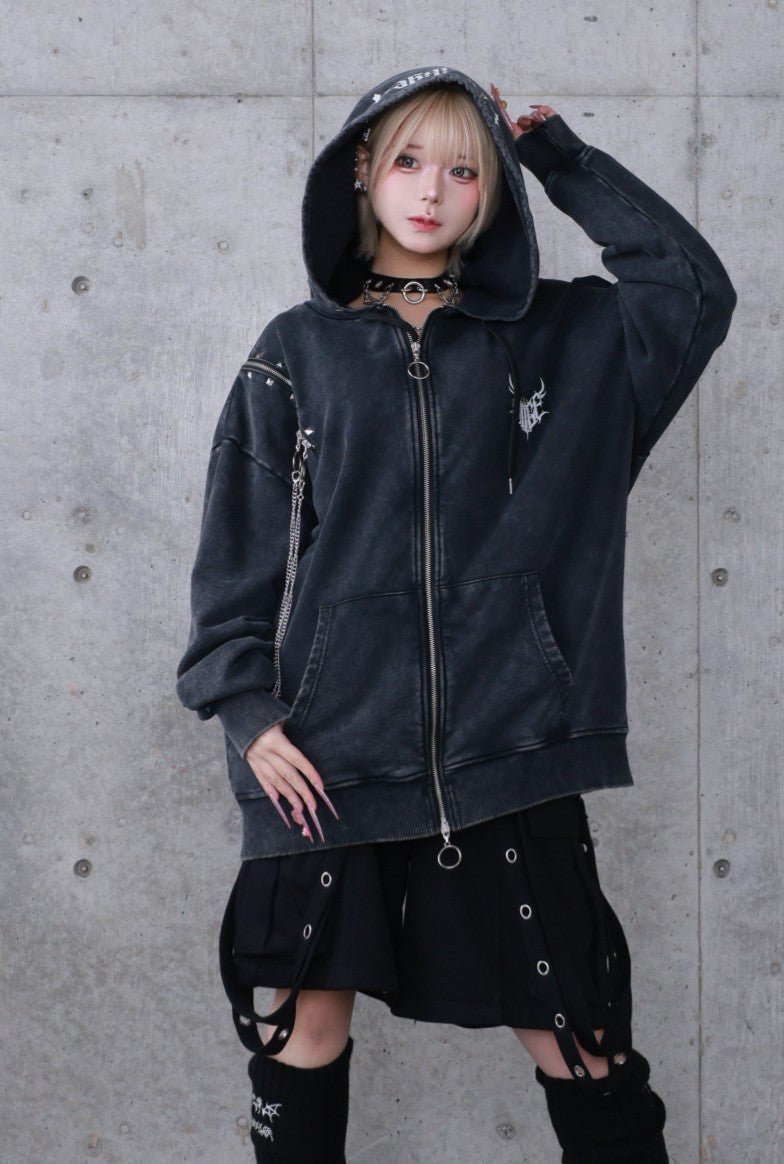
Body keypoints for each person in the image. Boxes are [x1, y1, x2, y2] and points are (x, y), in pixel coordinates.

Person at [176, 65, 736, 1163]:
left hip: (511, 750)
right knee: (300, 1035)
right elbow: (236, 550)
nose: (432, 190)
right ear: (363, 173)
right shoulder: (297, 350)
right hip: (330, 759)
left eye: (465, 170)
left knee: (582, 1043)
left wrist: (557, 156)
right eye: (407, 162)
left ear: (495, 191)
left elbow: (692, 291)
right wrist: (248, 711)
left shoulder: (568, 338)